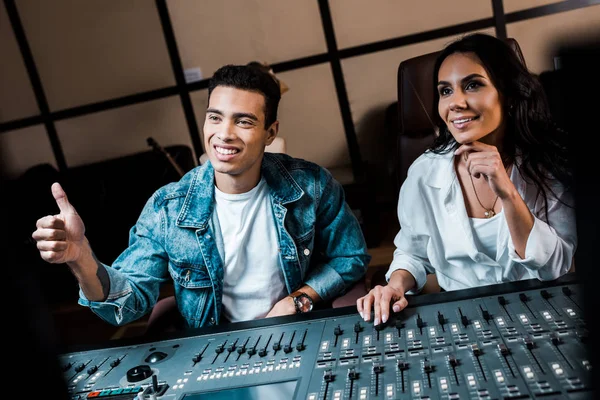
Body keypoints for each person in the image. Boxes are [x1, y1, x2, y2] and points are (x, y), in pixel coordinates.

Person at [32, 64, 370, 329]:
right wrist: (81, 259)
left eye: (244, 121)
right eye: (215, 117)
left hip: (299, 331)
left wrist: (297, 300)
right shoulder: (168, 208)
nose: (224, 134)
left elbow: (350, 257)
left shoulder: (311, 185)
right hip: (218, 347)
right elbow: (126, 305)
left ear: (270, 133)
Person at [357, 33, 576, 326]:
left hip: (544, 310)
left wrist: (509, 194)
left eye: (472, 85)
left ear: (508, 94)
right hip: (464, 318)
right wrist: (395, 285)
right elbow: (412, 252)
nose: (455, 103)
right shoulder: (424, 173)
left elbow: (557, 267)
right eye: (445, 91)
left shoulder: (548, 166)